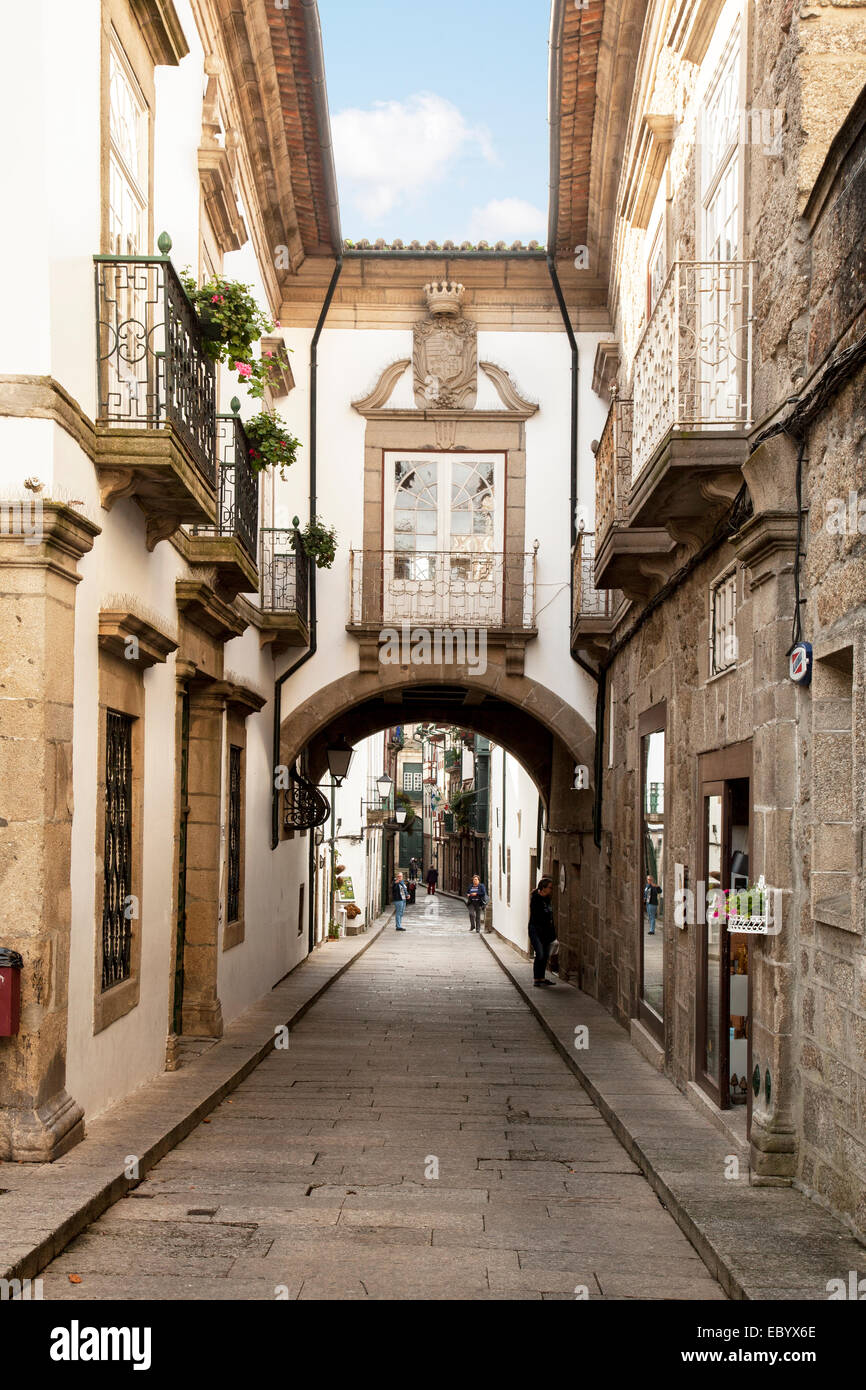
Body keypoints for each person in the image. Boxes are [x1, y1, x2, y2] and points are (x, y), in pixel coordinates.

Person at [528, 876, 557, 987]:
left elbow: (550, 916)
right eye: (549, 887)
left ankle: (542, 978)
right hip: (536, 930)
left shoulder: (547, 899)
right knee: (540, 953)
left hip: (546, 931)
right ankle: (536, 979)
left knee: (545, 955)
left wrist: (552, 933)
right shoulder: (536, 899)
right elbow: (537, 917)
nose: (551, 890)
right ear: (543, 888)